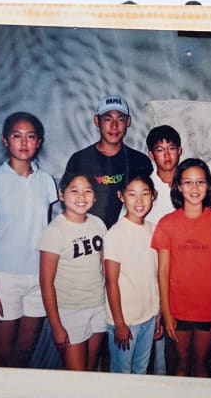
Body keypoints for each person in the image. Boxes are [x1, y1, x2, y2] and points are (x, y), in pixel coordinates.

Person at [0, 111, 57, 367]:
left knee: (23, 357)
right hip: (3, 281)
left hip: (38, 280)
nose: (23, 142)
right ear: (4, 140)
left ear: (39, 142)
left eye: (30, 136)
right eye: (16, 136)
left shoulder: (46, 182)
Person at [151, 158, 211, 377]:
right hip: (177, 309)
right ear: (179, 186)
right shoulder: (167, 223)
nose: (194, 188)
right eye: (188, 182)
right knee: (180, 364)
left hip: (209, 309)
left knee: (201, 364)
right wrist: (166, 313)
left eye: (200, 182)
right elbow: (163, 271)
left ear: (208, 186)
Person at [39, 172, 107, 371]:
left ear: (94, 196)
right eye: (74, 190)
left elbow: (103, 267)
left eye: (87, 191)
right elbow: (45, 282)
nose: (81, 196)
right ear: (61, 194)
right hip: (70, 312)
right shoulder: (54, 231)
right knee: (76, 376)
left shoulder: (98, 224)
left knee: (91, 370)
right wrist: (56, 326)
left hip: (98, 308)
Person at [65, 95, 153, 230]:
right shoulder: (79, 160)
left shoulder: (140, 162)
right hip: (87, 238)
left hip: (128, 237)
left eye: (120, 119)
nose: (114, 126)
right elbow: (68, 204)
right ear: (96, 120)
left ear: (128, 121)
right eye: (107, 119)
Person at [104, 174, 161, 374]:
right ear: (121, 196)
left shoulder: (154, 231)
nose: (139, 201)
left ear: (153, 195)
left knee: (141, 370)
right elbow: (111, 282)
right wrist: (119, 323)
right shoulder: (116, 234)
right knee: (122, 374)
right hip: (125, 321)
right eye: (132, 194)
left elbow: (155, 277)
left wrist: (158, 314)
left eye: (145, 194)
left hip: (148, 316)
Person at [142, 125, 183, 374]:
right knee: (153, 348)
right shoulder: (145, 187)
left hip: (185, 276)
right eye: (160, 150)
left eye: (171, 149)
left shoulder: (189, 183)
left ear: (180, 150)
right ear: (150, 154)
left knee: (179, 346)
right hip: (152, 274)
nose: (166, 155)